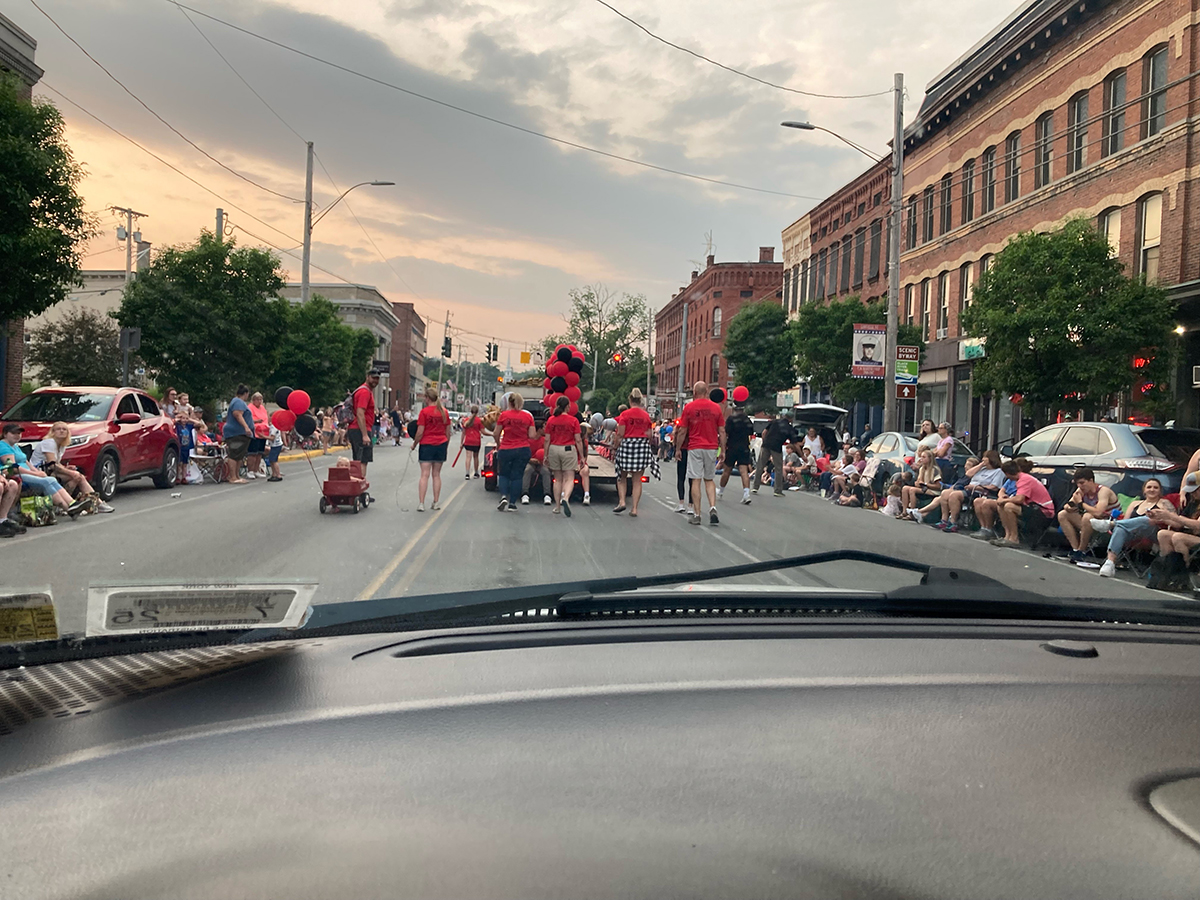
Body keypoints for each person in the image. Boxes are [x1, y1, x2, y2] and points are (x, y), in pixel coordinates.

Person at [1090, 478, 1174, 578]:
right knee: (1120, 528)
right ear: (1144, 490)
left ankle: (1110, 524)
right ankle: (1110, 563)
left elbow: (1176, 522)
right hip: (1133, 533)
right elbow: (1125, 522)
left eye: (1156, 487)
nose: (1152, 489)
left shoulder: (1164, 503)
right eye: (1149, 487)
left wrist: (1159, 518)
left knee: (1146, 520)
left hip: (1154, 533)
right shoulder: (1135, 503)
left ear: (1160, 490)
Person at [0, 423, 87, 517]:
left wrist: (37, 472)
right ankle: (69, 507)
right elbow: (13, 467)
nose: (17, 435)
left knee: (51, 479)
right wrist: (35, 474)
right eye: (14, 433)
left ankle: (71, 505)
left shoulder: (15, 446)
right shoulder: (3, 446)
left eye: (19, 433)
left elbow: (26, 462)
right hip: (16, 474)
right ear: (5, 434)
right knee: (46, 481)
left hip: (27, 473)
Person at [30, 421, 113, 512]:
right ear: (53, 432)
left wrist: (67, 468)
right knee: (76, 476)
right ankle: (97, 503)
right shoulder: (49, 442)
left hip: (48, 471)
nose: (61, 431)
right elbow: (52, 464)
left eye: (64, 429)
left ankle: (66, 505)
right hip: (39, 472)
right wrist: (70, 472)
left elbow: (56, 464)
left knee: (77, 477)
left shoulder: (61, 446)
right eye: (58, 429)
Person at [675, 381, 725, 526]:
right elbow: (721, 431)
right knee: (709, 480)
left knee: (695, 480)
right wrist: (723, 449)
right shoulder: (716, 408)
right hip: (711, 447)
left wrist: (678, 449)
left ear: (695, 393)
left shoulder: (689, 408)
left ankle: (696, 514)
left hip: (695, 447)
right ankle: (712, 507)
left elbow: (683, 430)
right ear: (707, 391)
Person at [973, 460, 1055, 548]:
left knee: (1009, 506)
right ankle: (1007, 536)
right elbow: (1005, 493)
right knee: (1000, 505)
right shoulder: (1019, 478)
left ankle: (1014, 538)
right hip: (1031, 507)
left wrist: (1004, 500)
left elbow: (1019, 499)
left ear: (1007, 473)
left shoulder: (1024, 479)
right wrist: (1002, 498)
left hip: (1043, 511)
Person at [920, 450, 1004, 531]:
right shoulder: (981, 469)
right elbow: (968, 474)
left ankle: (953, 522)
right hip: (968, 489)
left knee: (955, 495)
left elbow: (994, 487)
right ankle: (944, 520)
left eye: (985, 457)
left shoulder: (998, 471)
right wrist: (981, 465)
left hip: (979, 491)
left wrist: (977, 486)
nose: (983, 459)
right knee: (945, 493)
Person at [1057, 466, 1119, 563]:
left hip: (1108, 525)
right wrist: (1072, 505)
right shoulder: (1081, 491)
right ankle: (1076, 550)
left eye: (1082, 483)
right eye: (1078, 483)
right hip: (1091, 524)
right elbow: (1067, 506)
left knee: (1087, 516)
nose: (1080, 486)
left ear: (1091, 481)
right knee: (1062, 514)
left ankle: (1082, 550)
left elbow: (1099, 512)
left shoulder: (1103, 491)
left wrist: (1081, 503)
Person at [612, 388, 654, 516]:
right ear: (640, 400)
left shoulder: (625, 414)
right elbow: (650, 434)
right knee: (637, 480)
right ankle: (634, 508)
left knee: (622, 477)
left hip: (627, 445)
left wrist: (615, 447)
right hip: (641, 446)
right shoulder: (645, 415)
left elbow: (620, 434)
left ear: (630, 400)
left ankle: (622, 501)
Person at [493, 392, 535, 511]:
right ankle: (512, 503)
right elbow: (532, 435)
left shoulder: (504, 415)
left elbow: (496, 433)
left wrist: (498, 444)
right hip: (522, 449)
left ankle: (504, 496)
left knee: (504, 474)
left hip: (506, 448)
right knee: (517, 476)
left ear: (509, 402)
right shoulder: (528, 417)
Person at [543, 396, 584, 516]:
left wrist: (545, 455)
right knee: (569, 477)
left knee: (557, 479)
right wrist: (581, 456)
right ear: (568, 407)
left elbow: (547, 440)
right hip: (568, 449)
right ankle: (565, 498)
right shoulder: (573, 421)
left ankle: (557, 506)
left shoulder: (551, 420)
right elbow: (578, 440)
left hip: (554, 449)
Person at [413, 383, 450, 512]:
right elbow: (448, 431)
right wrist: (446, 444)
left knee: (424, 475)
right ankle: (436, 502)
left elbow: (420, 432)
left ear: (427, 398)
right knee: (436, 475)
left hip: (427, 444)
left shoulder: (424, 412)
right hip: (441, 444)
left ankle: (421, 503)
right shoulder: (444, 412)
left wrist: (414, 444)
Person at [753, 411, 796, 497]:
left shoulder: (774, 422)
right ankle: (777, 490)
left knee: (760, 465)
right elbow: (794, 443)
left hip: (766, 445)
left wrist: (764, 441)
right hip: (776, 447)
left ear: (784, 416)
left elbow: (764, 432)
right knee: (778, 468)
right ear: (791, 419)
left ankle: (755, 487)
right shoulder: (789, 428)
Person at [347, 370, 381, 475]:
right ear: (367, 377)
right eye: (373, 377)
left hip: (357, 429)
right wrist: (365, 435)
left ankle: (358, 486)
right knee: (361, 461)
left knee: (359, 460)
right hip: (360, 429)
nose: (375, 380)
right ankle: (359, 486)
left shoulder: (364, 391)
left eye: (377, 378)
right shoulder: (364, 392)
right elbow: (360, 413)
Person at [720, 400, 754, 504]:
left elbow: (726, 433)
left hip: (732, 447)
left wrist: (723, 447)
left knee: (727, 470)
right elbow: (751, 432)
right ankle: (746, 494)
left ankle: (721, 491)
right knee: (744, 471)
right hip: (744, 447)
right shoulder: (747, 420)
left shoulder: (731, 419)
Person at [222, 384, 253, 485]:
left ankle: (237, 475)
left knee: (239, 455)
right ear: (246, 394)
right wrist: (246, 427)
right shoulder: (238, 402)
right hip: (236, 433)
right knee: (234, 454)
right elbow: (237, 414)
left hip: (241, 433)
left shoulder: (238, 402)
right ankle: (233, 477)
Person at [901, 449, 942, 514]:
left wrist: (926, 484)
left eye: (924, 457)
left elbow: (938, 486)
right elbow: (919, 482)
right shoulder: (922, 469)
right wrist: (917, 483)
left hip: (932, 491)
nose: (921, 459)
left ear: (929, 459)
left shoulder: (934, 470)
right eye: (921, 457)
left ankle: (912, 512)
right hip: (923, 489)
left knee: (912, 490)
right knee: (905, 488)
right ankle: (904, 511)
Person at [521, 422, 553, 507]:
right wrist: (530, 459)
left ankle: (547, 494)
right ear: (539, 430)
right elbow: (523, 454)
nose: (545, 430)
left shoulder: (544, 440)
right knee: (527, 470)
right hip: (530, 462)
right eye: (543, 427)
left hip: (542, 462)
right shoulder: (527, 440)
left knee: (546, 471)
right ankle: (525, 493)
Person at [245, 392, 270, 479]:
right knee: (252, 453)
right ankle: (250, 470)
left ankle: (256, 470)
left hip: (263, 433)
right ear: (253, 400)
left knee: (259, 453)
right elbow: (247, 420)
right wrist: (257, 421)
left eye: (260, 399)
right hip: (254, 432)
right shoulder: (249, 408)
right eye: (257, 399)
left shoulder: (262, 408)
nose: (259, 401)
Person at [460, 405, 484, 479]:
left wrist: (461, 443)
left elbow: (463, 433)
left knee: (468, 457)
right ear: (477, 412)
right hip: (476, 441)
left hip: (468, 441)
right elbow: (483, 431)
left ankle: (467, 474)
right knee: (476, 457)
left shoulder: (466, 420)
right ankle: (476, 473)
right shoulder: (479, 421)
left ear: (470, 411)